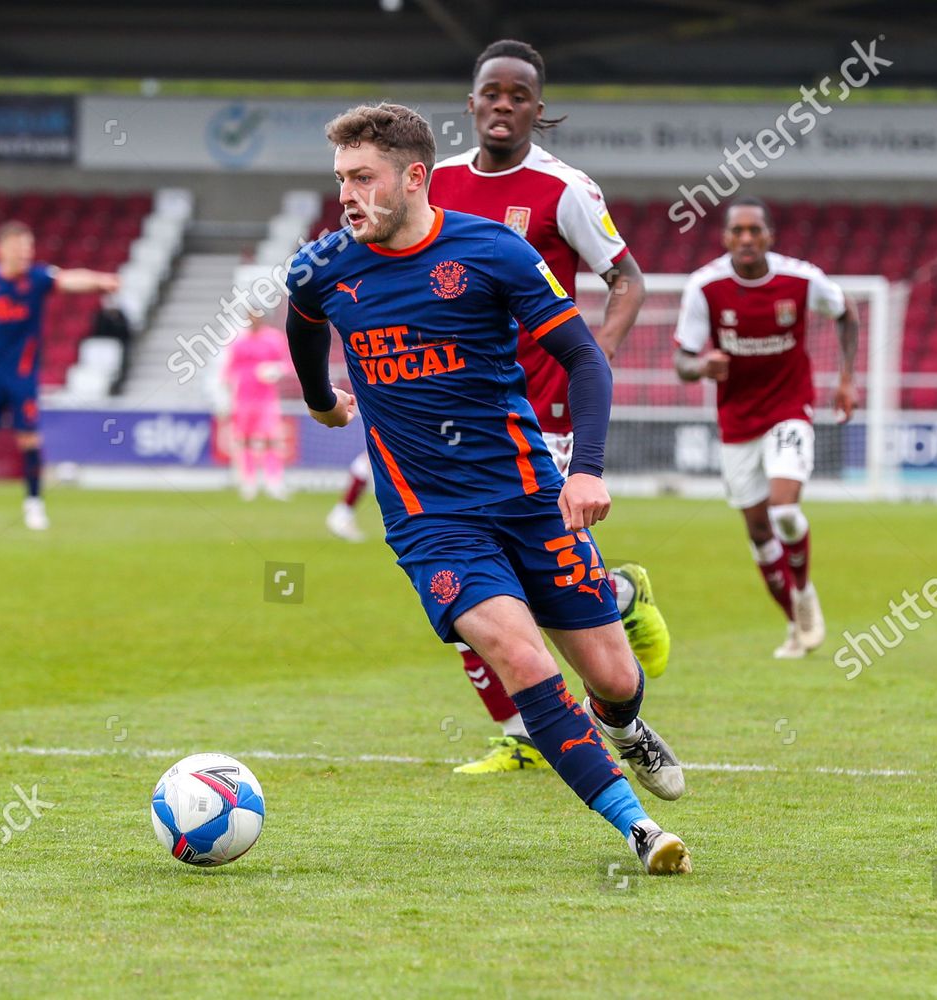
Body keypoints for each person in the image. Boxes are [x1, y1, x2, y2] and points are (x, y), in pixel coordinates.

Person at [285, 102, 690, 874]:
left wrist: (588, 469)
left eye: (362, 178)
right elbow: (303, 324)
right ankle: (640, 831)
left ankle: (628, 727)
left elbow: (584, 359)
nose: (347, 195)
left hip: (529, 495)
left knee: (612, 677)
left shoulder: (494, 251)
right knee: (520, 655)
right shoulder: (323, 266)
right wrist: (318, 399)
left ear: (413, 176)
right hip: (430, 518)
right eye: (340, 179)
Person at [418, 38, 668, 774]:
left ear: (539, 110)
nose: (503, 105)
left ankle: (609, 600)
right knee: (463, 579)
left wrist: (601, 351)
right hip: (453, 416)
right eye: (490, 92)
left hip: (541, 414)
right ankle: (610, 604)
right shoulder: (436, 182)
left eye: (518, 95)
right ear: (470, 103)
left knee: (518, 577)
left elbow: (627, 278)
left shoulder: (566, 190)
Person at [673, 198, 859, 658]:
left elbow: (846, 311)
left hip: (789, 409)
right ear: (726, 238)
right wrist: (701, 367)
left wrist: (847, 378)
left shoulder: (801, 279)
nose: (747, 239)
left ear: (770, 236)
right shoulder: (706, 287)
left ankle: (803, 594)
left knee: (784, 512)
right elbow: (682, 361)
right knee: (758, 533)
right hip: (737, 422)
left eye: (755, 230)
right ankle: (797, 623)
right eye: (738, 231)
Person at [0, 221, 119, 530]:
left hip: (22, 375)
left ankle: (34, 503)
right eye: (19, 247)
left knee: (28, 439)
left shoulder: (37, 278)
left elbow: (69, 278)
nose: (26, 253)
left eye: (29, 247)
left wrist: (100, 280)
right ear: (1, 250)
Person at [223, 316, 292, 500]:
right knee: (244, 439)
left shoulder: (273, 338)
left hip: (267, 398)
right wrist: (230, 389)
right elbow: (229, 370)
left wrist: (276, 370)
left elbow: (287, 363)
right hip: (243, 398)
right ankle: (248, 479)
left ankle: (273, 479)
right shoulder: (239, 342)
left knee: (271, 438)